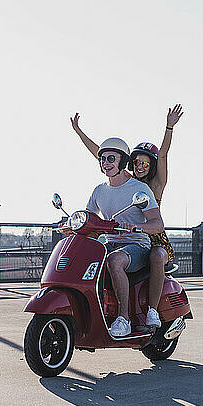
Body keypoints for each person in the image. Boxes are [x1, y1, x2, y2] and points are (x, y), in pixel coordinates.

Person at [71, 105, 183, 328]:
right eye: (136, 162)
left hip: (151, 237)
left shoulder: (153, 186)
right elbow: (102, 154)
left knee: (157, 257)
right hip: (121, 236)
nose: (140, 167)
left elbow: (162, 155)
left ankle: (150, 311)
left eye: (145, 163)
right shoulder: (117, 181)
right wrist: (78, 131)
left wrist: (169, 127)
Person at [86, 137, 165, 337]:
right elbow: (89, 217)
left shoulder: (139, 189)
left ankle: (124, 320)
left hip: (137, 245)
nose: (106, 163)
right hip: (110, 243)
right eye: (102, 159)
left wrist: (137, 227)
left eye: (111, 158)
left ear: (122, 161)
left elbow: (157, 224)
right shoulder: (99, 190)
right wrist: (70, 224)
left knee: (115, 260)